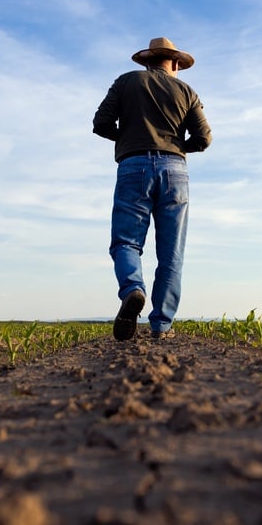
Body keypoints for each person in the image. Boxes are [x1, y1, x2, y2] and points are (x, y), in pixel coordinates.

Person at [93, 37, 213, 341]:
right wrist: (176, 146)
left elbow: (101, 123)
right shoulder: (186, 91)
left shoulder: (125, 82)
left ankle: (133, 289)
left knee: (126, 242)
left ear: (148, 61)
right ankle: (161, 325)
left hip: (133, 166)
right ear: (174, 63)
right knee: (171, 253)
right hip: (175, 171)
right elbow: (204, 137)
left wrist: (128, 138)